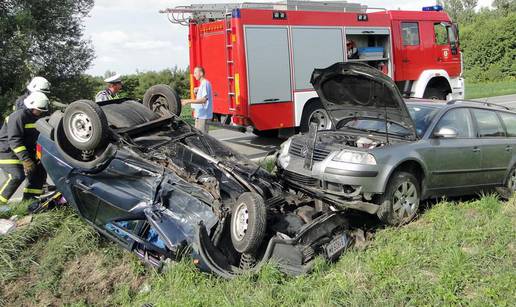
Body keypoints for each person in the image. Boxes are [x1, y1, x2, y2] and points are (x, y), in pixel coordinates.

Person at [0, 92, 49, 204]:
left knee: (39, 173)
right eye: (38, 109)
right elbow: (14, 140)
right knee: (16, 176)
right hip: (7, 152)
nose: (40, 112)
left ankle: (29, 203)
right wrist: (26, 160)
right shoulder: (17, 117)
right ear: (30, 106)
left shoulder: (38, 117)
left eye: (42, 110)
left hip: (25, 152)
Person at [181, 67, 213, 133]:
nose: (194, 75)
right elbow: (202, 99)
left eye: (195, 72)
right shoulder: (203, 84)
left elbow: (204, 100)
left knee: (202, 139)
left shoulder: (205, 83)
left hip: (203, 116)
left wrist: (188, 101)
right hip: (200, 115)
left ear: (201, 73)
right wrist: (196, 93)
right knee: (199, 138)